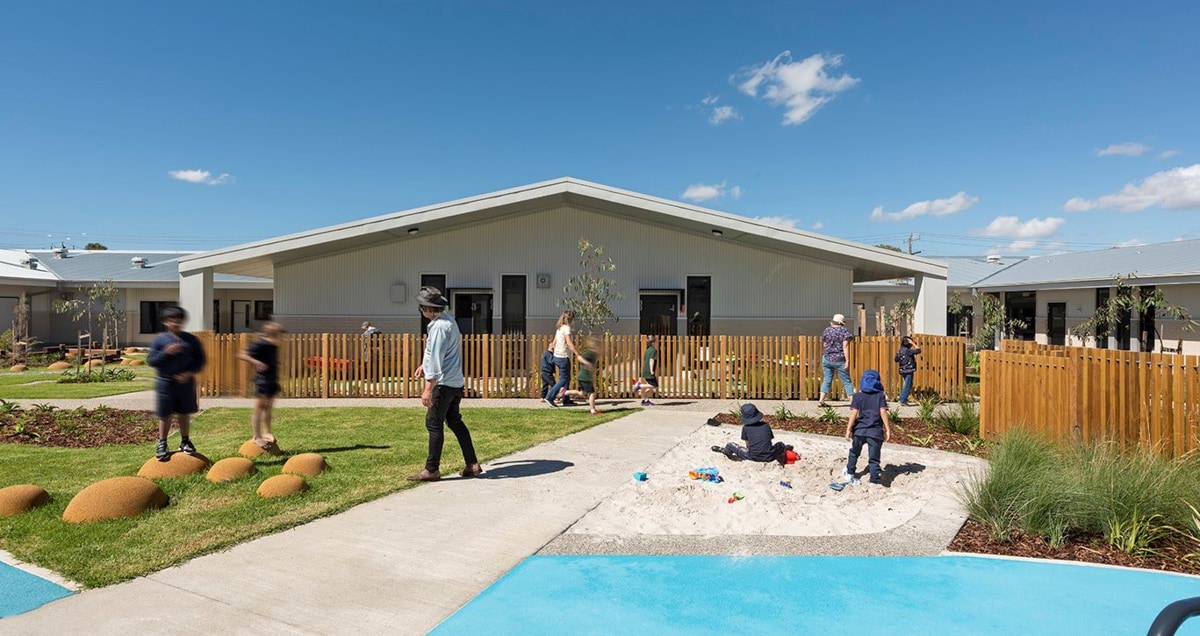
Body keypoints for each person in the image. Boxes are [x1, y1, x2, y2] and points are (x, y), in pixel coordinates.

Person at [408, 287, 482, 482]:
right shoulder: (449, 321)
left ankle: (432, 469)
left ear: (428, 309)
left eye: (421, 307)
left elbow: (438, 357)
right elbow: (437, 353)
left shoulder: (439, 327)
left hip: (444, 383)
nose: (421, 310)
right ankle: (472, 464)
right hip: (455, 382)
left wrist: (428, 388)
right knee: (455, 421)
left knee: (433, 423)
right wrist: (424, 365)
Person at [146, 306, 206, 462]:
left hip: (186, 383)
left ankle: (185, 440)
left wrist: (189, 373)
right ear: (165, 322)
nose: (176, 324)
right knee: (165, 414)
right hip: (165, 383)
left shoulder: (191, 340)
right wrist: (166, 352)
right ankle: (162, 443)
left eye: (179, 321)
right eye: (172, 321)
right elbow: (151, 361)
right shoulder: (160, 340)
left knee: (184, 412)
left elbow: (200, 361)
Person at [237, 321, 284, 450]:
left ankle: (266, 432)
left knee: (268, 407)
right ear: (272, 333)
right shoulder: (260, 344)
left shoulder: (273, 346)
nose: (281, 337)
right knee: (259, 408)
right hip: (262, 380)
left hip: (272, 380)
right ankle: (256, 436)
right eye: (279, 334)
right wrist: (256, 361)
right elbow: (242, 354)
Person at [843, 369, 893, 485]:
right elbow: (883, 412)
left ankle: (850, 473)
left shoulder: (858, 396)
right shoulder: (880, 396)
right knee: (874, 458)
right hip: (875, 432)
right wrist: (888, 429)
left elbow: (854, 414)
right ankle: (874, 480)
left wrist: (848, 429)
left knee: (854, 452)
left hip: (859, 431)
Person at [711, 403, 788, 465]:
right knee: (781, 444)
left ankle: (724, 451)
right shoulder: (766, 425)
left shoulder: (746, 428)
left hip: (753, 456)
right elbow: (769, 440)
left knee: (730, 445)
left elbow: (747, 445)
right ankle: (782, 455)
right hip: (769, 456)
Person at [818, 313, 856, 407]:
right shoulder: (844, 331)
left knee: (827, 379)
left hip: (827, 357)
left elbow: (824, 344)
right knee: (846, 380)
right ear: (841, 323)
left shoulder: (827, 330)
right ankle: (852, 401)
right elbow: (845, 346)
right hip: (839, 358)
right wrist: (847, 360)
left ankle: (821, 400)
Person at [544, 310, 580, 407]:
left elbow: (554, 342)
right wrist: (577, 354)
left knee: (566, 379)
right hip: (563, 357)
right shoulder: (567, 329)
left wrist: (550, 349)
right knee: (563, 379)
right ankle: (549, 397)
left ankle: (566, 399)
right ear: (570, 319)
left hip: (557, 356)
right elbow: (569, 343)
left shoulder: (559, 328)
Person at [563, 336, 601, 414]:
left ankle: (565, 392)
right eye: (597, 345)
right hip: (585, 377)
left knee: (581, 393)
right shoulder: (590, 353)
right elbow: (579, 357)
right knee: (592, 394)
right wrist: (588, 364)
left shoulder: (593, 353)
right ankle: (593, 410)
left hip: (582, 377)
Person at [895, 336, 922, 406]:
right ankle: (902, 400)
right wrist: (913, 343)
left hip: (902, 370)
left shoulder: (900, 351)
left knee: (907, 384)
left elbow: (896, 359)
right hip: (908, 370)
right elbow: (919, 350)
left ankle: (902, 398)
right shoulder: (908, 351)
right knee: (908, 385)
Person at [634, 335, 659, 406]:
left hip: (645, 370)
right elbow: (651, 360)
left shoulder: (647, 350)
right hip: (649, 371)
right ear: (654, 342)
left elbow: (645, 360)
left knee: (650, 387)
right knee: (654, 386)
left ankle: (646, 400)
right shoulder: (653, 350)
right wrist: (652, 370)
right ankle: (639, 386)